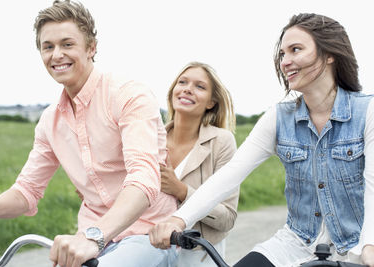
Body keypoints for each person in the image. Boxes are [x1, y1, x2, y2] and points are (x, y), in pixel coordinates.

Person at [149, 13, 374, 267]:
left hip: (358, 246)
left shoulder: (367, 112)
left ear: (329, 54)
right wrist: (179, 220)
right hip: (294, 244)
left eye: (295, 50)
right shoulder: (279, 117)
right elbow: (230, 175)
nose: (285, 62)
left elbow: (372, 187)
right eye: (282, 54)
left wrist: (369, 247)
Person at [0, 1, 178, 267]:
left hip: (149, 236)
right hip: (91, 239)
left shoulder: (129, 94)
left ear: (91, 48)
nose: (57, 54)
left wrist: (94, 237)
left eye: (67, 44)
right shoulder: (49, 121)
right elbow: (26, 191)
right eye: (48, 47)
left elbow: (143, 179)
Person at [160, 62, 239, 266]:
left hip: (197, 257)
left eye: (200, 86)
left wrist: (182, 191)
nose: (187, 88)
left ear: (211, 102)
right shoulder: (151, 138)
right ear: (173, 92)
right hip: (149, 249)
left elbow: (227, 218)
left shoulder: (222, 142)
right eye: (182, 82)